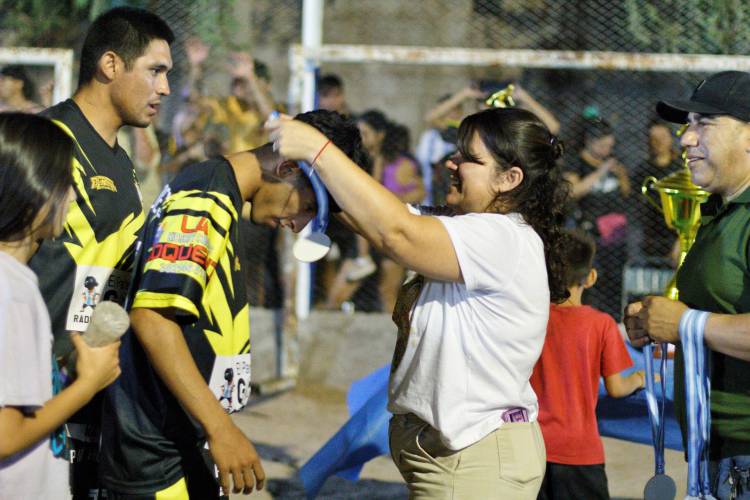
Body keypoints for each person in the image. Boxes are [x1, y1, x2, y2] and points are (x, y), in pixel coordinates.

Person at [269, 106, 570, 498]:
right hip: (456, 460)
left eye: (468, 159)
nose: (451, 162)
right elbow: (378, 221)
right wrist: (314, 199)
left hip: (476, 465)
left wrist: (318, 150)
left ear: (510, 178)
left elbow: (397, 232)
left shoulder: (502, 237)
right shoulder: (466, 226)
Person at [99, 110, 368, 499]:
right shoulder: (205, 201)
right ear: (288, 167)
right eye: (309, 207)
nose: (300, 223)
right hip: (158, 451)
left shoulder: (216, 190)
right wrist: (221, 429)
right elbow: (153, 317)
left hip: (175, 439)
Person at [27, 7, 174, 498]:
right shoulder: (48, 146)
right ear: (111, 65)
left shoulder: (119, 158)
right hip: (29, 383)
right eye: (155, 71)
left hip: (86, 384)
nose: (165, 89)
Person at [624, 71, 750, 500]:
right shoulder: (722, 211)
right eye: (687, 124)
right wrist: (659, 321)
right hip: (719, 452)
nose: (686, 139)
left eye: (705, 123)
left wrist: (686, 324)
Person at [0, 112, 121, 499]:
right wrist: (89, 384)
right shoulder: (11, 290)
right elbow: (6, 435)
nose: (74, 195)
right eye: (66, 182)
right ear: (33, 188)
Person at [531, 229, 646, 500]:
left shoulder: (528, 317)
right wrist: (641, 378)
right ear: (590, 277)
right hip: (579, 451)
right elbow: (617, 388)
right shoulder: (601, 324)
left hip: (530, 448)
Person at [357, 110, 424, 312]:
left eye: (365, 133)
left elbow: (420, 192)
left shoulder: (401, 165)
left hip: (395, 230)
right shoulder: (370, 160)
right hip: (376, 232)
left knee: (389, 288)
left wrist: (392, 202)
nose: (361, 139)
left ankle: (396, 333)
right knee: (384, 288)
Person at [566, 117, 631, 320]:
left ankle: (612, 320)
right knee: (591, 278)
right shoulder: (576, 162)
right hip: (589, 230)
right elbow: (573, 191)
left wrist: (621, 175)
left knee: (614, 279)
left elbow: (626, 193)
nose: (606, 149)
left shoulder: (613, 161)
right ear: (589, 141)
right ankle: (588, 318)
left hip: (614, 234)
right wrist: (601, 171)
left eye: (609, 145)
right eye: (602, 145)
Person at [629, 118, 683, 259]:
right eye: (653, 138)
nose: (658, 142)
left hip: (678, 234)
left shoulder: (682, 169)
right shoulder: (641, 171)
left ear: (671, 139)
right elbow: (634, 206)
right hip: (650, 236)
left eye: (662, 137)